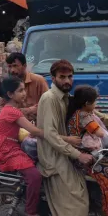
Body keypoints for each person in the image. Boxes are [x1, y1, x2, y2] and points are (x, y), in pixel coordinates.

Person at [37, 60, 93, 216]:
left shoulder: (68, 98)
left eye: (70, 76)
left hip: (65, 154)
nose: (67, 81)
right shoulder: (49, 98)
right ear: (53, 78)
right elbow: (50, 134)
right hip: (54, 157)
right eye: (62, 77)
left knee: (82, 192)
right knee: (75, 206)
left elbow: (91, 113)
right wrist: (78, 155)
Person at [0, 76, 44, 216]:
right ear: (10, 94)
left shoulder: (12, 109)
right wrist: (61, 138)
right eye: (20, 90)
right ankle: (30, 212)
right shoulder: (12, 111)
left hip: (9, 145)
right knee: (35, 177)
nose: (24, 93)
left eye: (24, 89)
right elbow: (35, 131)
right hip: (6, 150)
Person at [67, 85, 108, 215]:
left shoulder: (80, 112)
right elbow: (101, 133)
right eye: (95, 101)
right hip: (86, 158)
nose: (96, 104)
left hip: (89, 153)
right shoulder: (85, 117)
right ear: (87, 103)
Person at [4, 53, 49, 121]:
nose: (12, 70)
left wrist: (30, 110)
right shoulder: (8, 83)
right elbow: (2, 107)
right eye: (9, 66)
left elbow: (48, 103)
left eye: (15, 66)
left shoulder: (38, 81)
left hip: (37, 124)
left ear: (24, 66)